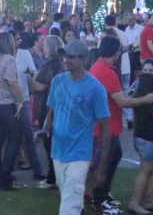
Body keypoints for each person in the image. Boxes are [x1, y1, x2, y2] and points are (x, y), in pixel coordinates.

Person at [89, 35, 153, 213]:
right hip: (106, 127)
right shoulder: (107, 72)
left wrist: (132, 96)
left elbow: (117, 97)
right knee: (104, 162)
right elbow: (121, 102)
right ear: (116, 52)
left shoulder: (97, 66)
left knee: (113, 157)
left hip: (104, 125)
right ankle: (99, 199)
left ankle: (103, 194)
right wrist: (145, 99)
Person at [41, 39, 110, 215]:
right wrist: (44, 129)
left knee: (68, 206)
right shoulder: (57, 81)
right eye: (64, 56)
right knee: (70, 198)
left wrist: (101, 167)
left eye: (71, 57)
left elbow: (105, 128)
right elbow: (52, 112)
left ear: (84, 59)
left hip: (79, 154)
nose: (65, 60)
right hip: (57, 152)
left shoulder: (95, 89)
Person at [0, 32, 25, 191]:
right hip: (4, 104)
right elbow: (12, 83)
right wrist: (21, 100)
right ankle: (6, 177)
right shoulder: (9, 59)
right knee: (14, 139)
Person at [127, 72, 153, 214]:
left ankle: (148, 201)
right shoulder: (151, 101)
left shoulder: (138, 98)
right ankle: (135, 201)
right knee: (146, 171)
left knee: (151, 171)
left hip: (145, 138)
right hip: (150, 140)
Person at [32, 35, 64, 190]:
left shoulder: (51, 64)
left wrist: (31, 75)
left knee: (49, 142)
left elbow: (39, 86)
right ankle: (56, 176)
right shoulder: (62, 62)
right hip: (61, 106)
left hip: (49, 106)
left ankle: (52, 177)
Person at [14, 31, 43, 179]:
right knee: (5, 135)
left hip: (23, 99)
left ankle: (36, 168)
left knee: (27, 131)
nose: (17, 42)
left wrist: (32, 76)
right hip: (6, 101)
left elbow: (34, 72)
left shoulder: (24, 54)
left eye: (18, 39)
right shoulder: (0, 56)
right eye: (15, 39)